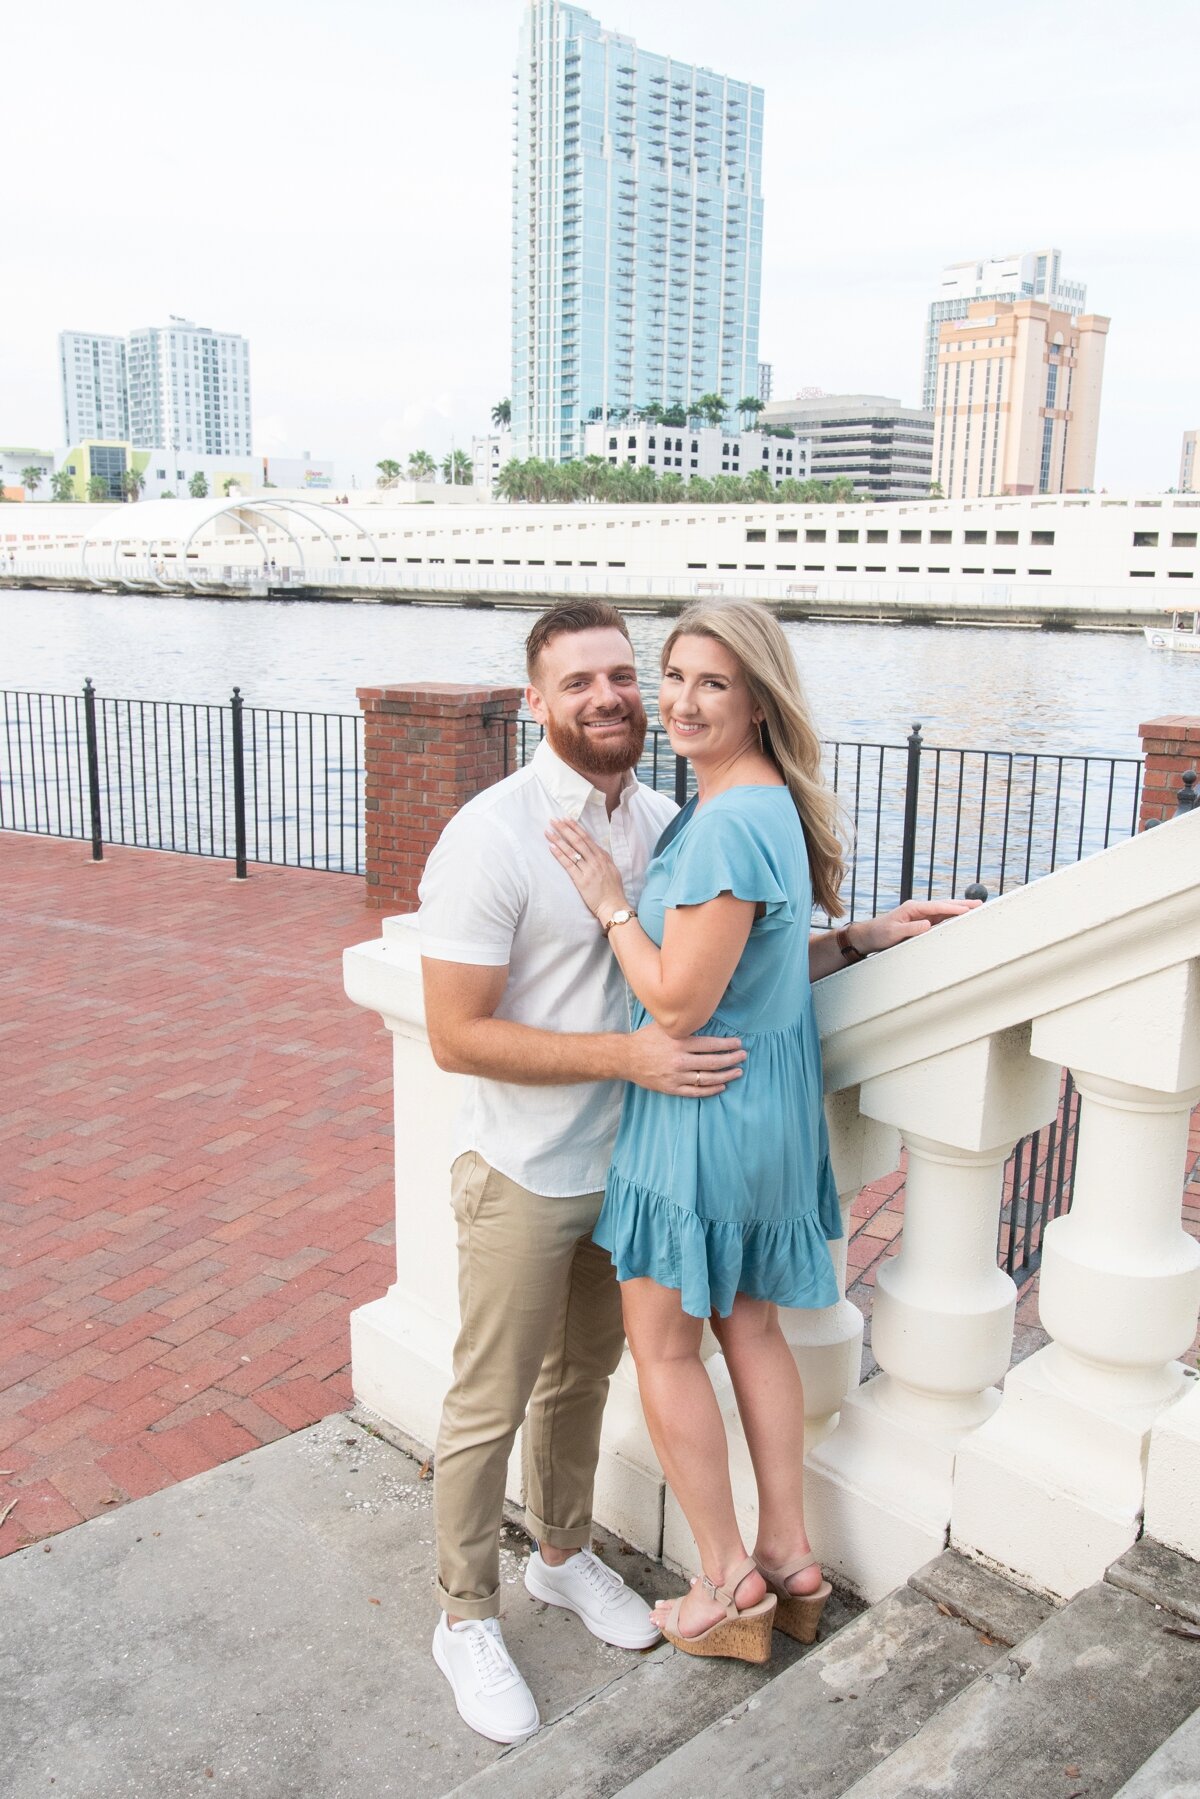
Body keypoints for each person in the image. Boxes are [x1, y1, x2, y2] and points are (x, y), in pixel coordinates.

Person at [419, 598, 974, 1739]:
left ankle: (580, 1557)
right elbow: (454, 1033)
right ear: (534, 701)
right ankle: (466, 1611)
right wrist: (643, 1037)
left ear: (756, 695)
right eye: (592, 680)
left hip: (657, 1145)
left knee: (597, 1375)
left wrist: (850, 938)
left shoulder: (679, 813)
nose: (638, 697)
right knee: (494, 1395)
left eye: (644, 674)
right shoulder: (492, 832)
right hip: (539, 1164)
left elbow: (714, 967)